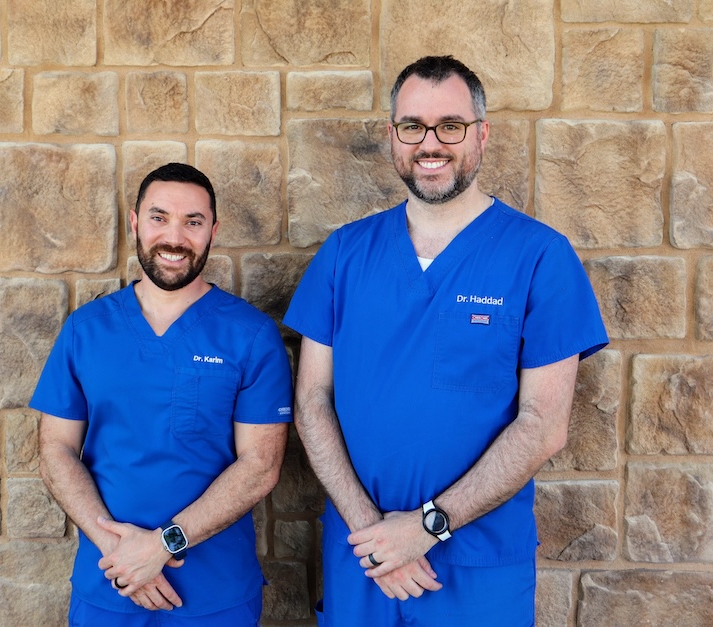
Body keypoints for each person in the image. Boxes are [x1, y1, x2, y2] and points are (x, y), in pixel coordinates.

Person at [283, 56, 609, 626]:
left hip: (474, 566)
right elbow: (312, 402)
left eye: (450, 126)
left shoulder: (539, 257)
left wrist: (428, 526)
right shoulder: (344, 253)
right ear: (393, 136)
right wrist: (372, 532)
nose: (430, 143)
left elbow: (543, 425)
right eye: (412, 126)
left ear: (481, 135)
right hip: (363, 558)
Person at [31, 163, 293, 626]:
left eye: (192, 222)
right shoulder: (85, 331)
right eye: (159, 218)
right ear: (134, 222)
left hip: (215, 595)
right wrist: (120, 552)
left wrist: (161, 545)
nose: (174, 237)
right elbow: (55, 448)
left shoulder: (250, 335)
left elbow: (260, 466)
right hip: (108, 586)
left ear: (213, 230)